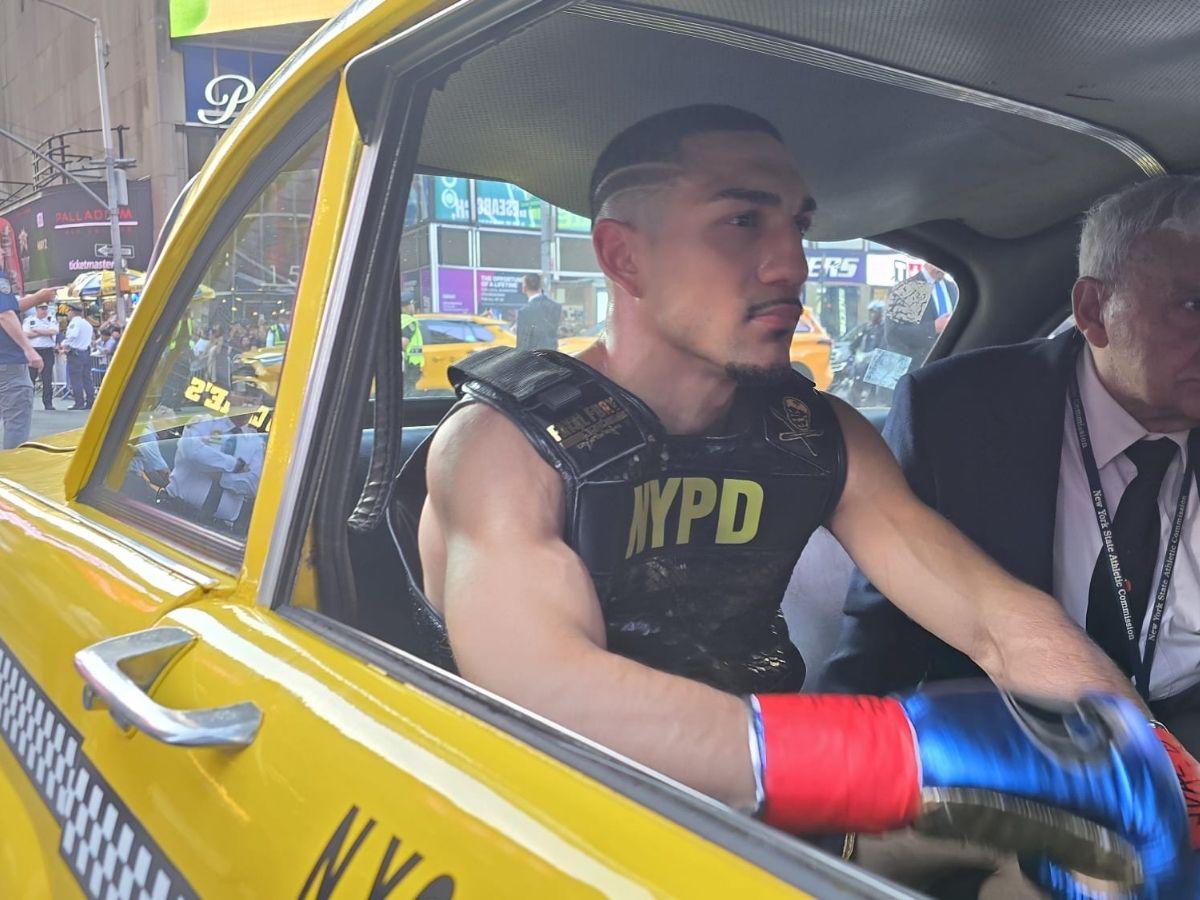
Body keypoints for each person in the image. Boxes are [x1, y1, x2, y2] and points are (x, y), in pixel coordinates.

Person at [393, 106, 1196, 894]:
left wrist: (1147, 762)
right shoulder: (506, 445)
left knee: (1096, 856)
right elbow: (545, 693)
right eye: (742, 221)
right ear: (623, 256)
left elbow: (997, 618)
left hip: (766, 808)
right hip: (551, 831)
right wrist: (895, 755)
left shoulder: (817, 435)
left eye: (798, 225)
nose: (791, 263)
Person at [822, 175, 1200, 729]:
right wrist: (839, 757)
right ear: (1094, 310)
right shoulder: (956, 411)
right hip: (1012, 737)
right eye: (1192, 304)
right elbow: (884, 632)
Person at [160, 383, 266, 532]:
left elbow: (254, 486)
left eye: (254, 396)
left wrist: (221, 476)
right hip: (175, 511)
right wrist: (236, 466)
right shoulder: (204, 422)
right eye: (244, 393)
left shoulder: (256, 444)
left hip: (218, 529)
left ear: (260, 404)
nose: (248, 400)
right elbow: (193, 452)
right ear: (229, 395)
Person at [881, 261, 959, 373]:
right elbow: (893, 334)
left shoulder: (954, 288)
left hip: (947, 366)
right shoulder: (909, 288)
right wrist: (933, 328)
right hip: (915, 370)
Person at [0, 275, 46, 448]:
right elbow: (4, 314)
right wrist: (29, 349)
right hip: (8, 362)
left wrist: (37, 298)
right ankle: (13, 463)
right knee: (16, 424)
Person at [23, 301, 59, 410]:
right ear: (36, 309)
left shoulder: (51, 319)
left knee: (47, 378)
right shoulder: (29, 320)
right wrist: (44, 332)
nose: (44, 310)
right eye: (41, 308)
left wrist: (37, 331)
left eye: (45, 308)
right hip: (34, 350)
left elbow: (54, 331)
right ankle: (28, 402)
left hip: (47, 351)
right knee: (31, 378)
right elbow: (25, 334)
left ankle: (48, 403)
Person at [61, 302, 95, 410]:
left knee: (76, 379)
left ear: (72, 312)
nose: (67, 314)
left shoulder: (74, 323)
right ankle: (90, 401)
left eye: (68, 311)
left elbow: (72, 335)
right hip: (86, 352)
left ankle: (79, 402)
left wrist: (64, 344)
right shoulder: (87, 324)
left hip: (75, 354)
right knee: (87, 378)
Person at [514, 273, 561, 350]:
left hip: (534, 355)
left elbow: (522, 343)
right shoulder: (555, 306)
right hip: (552, 354)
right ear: (540, 286)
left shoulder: (524, 311)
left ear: (524, 288)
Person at [400, 300, 424, 394]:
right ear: (406, 307)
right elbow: (403, 343)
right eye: (412, 304)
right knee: (408, 393)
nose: (413, 307)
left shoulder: (399, 319)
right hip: (410, 363)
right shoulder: (409, 321)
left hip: (405, 363)